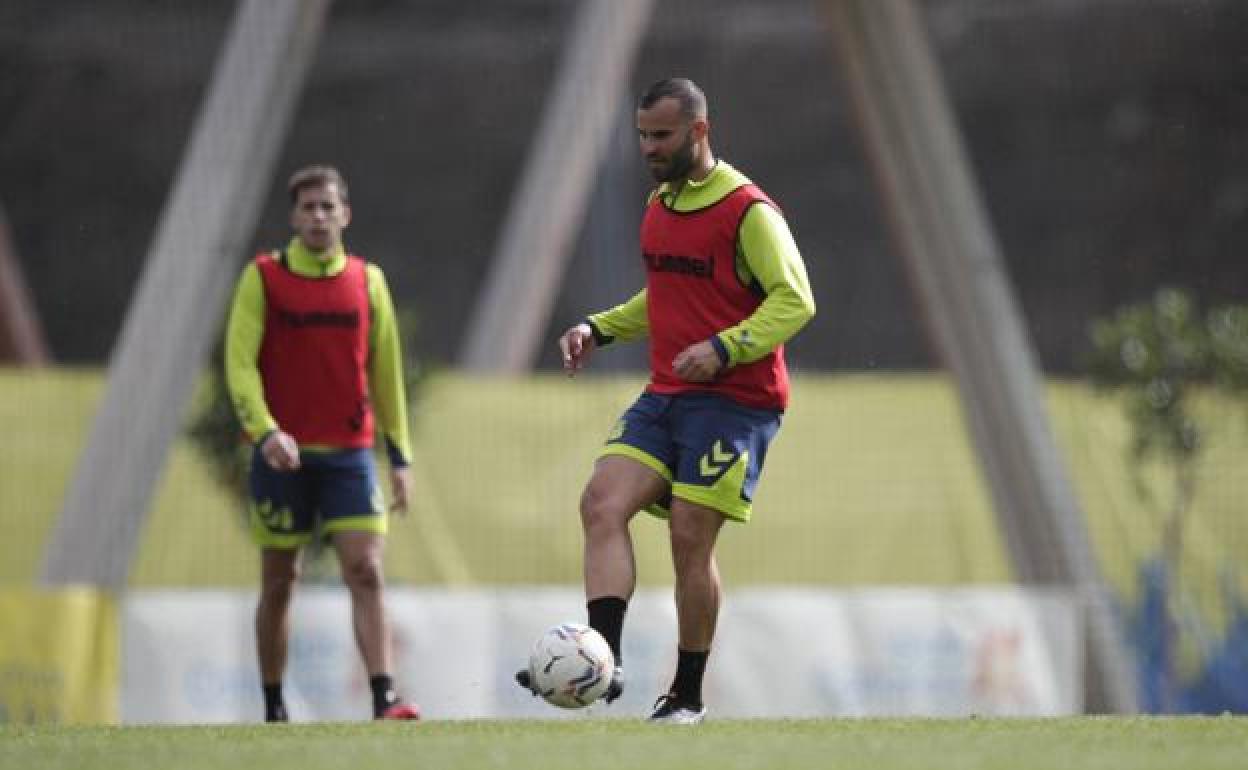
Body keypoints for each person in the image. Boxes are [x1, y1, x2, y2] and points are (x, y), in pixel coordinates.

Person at [516, 78, 816, 724]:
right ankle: (604, 661)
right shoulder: (660, 204)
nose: (649, 147)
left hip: (737, 402)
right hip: (669, 393)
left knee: (688, 534)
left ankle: (687, 696)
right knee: (601, 504)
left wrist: (725, 347)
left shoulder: (748, 211)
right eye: (643, 135)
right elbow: (667, 297)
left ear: (699, 130)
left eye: (662, 135)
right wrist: (597, 328)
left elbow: (796, 300)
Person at [224, 165, 420, 722]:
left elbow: (386, 373)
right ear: (294, 217)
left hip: (350, 454)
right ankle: (274, 705)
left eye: (327, 206)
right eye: (308, 207)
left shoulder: (367, 281)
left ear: (345, 214)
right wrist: (265, 431)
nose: (318, 216)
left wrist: (399, 457)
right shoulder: (263, 277)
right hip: (280, 458)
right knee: (280, 580)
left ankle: (383, 697)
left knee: (366, 569)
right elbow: (239, 365)